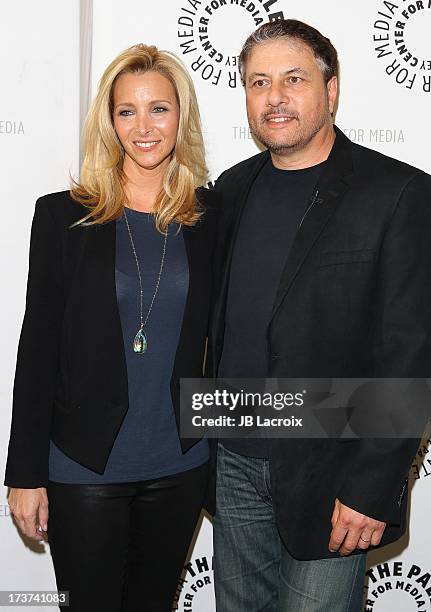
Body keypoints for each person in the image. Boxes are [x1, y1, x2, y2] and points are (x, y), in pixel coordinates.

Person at [207, 19, 431, 612]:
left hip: (333, 471)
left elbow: (410, 351)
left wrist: (371, 485)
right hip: (231, 462)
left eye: (293, 79)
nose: (274, 97)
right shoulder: (229, 190)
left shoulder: (399, 193)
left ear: (331, 90)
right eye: (258, 82)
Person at [4, 43, 217, 612]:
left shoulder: (209, 217)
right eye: (127, 111)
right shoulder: (63, 216)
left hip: (181, 464)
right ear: (109, 121)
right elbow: (38, 346)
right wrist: (24, 472)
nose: (143, 127)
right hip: (84, 465)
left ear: (182, 117)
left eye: (159, 109)